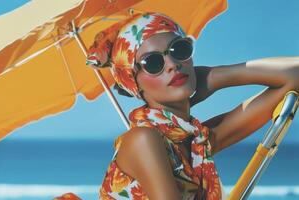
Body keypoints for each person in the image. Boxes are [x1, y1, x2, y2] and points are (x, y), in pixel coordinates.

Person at [56, 12, 299, 200]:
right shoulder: (142, 140)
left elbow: (295, 77)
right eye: (153, 63)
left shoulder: (196, 143)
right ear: (134, 83)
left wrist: (215, 77)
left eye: (179, 50)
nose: (172, 64)